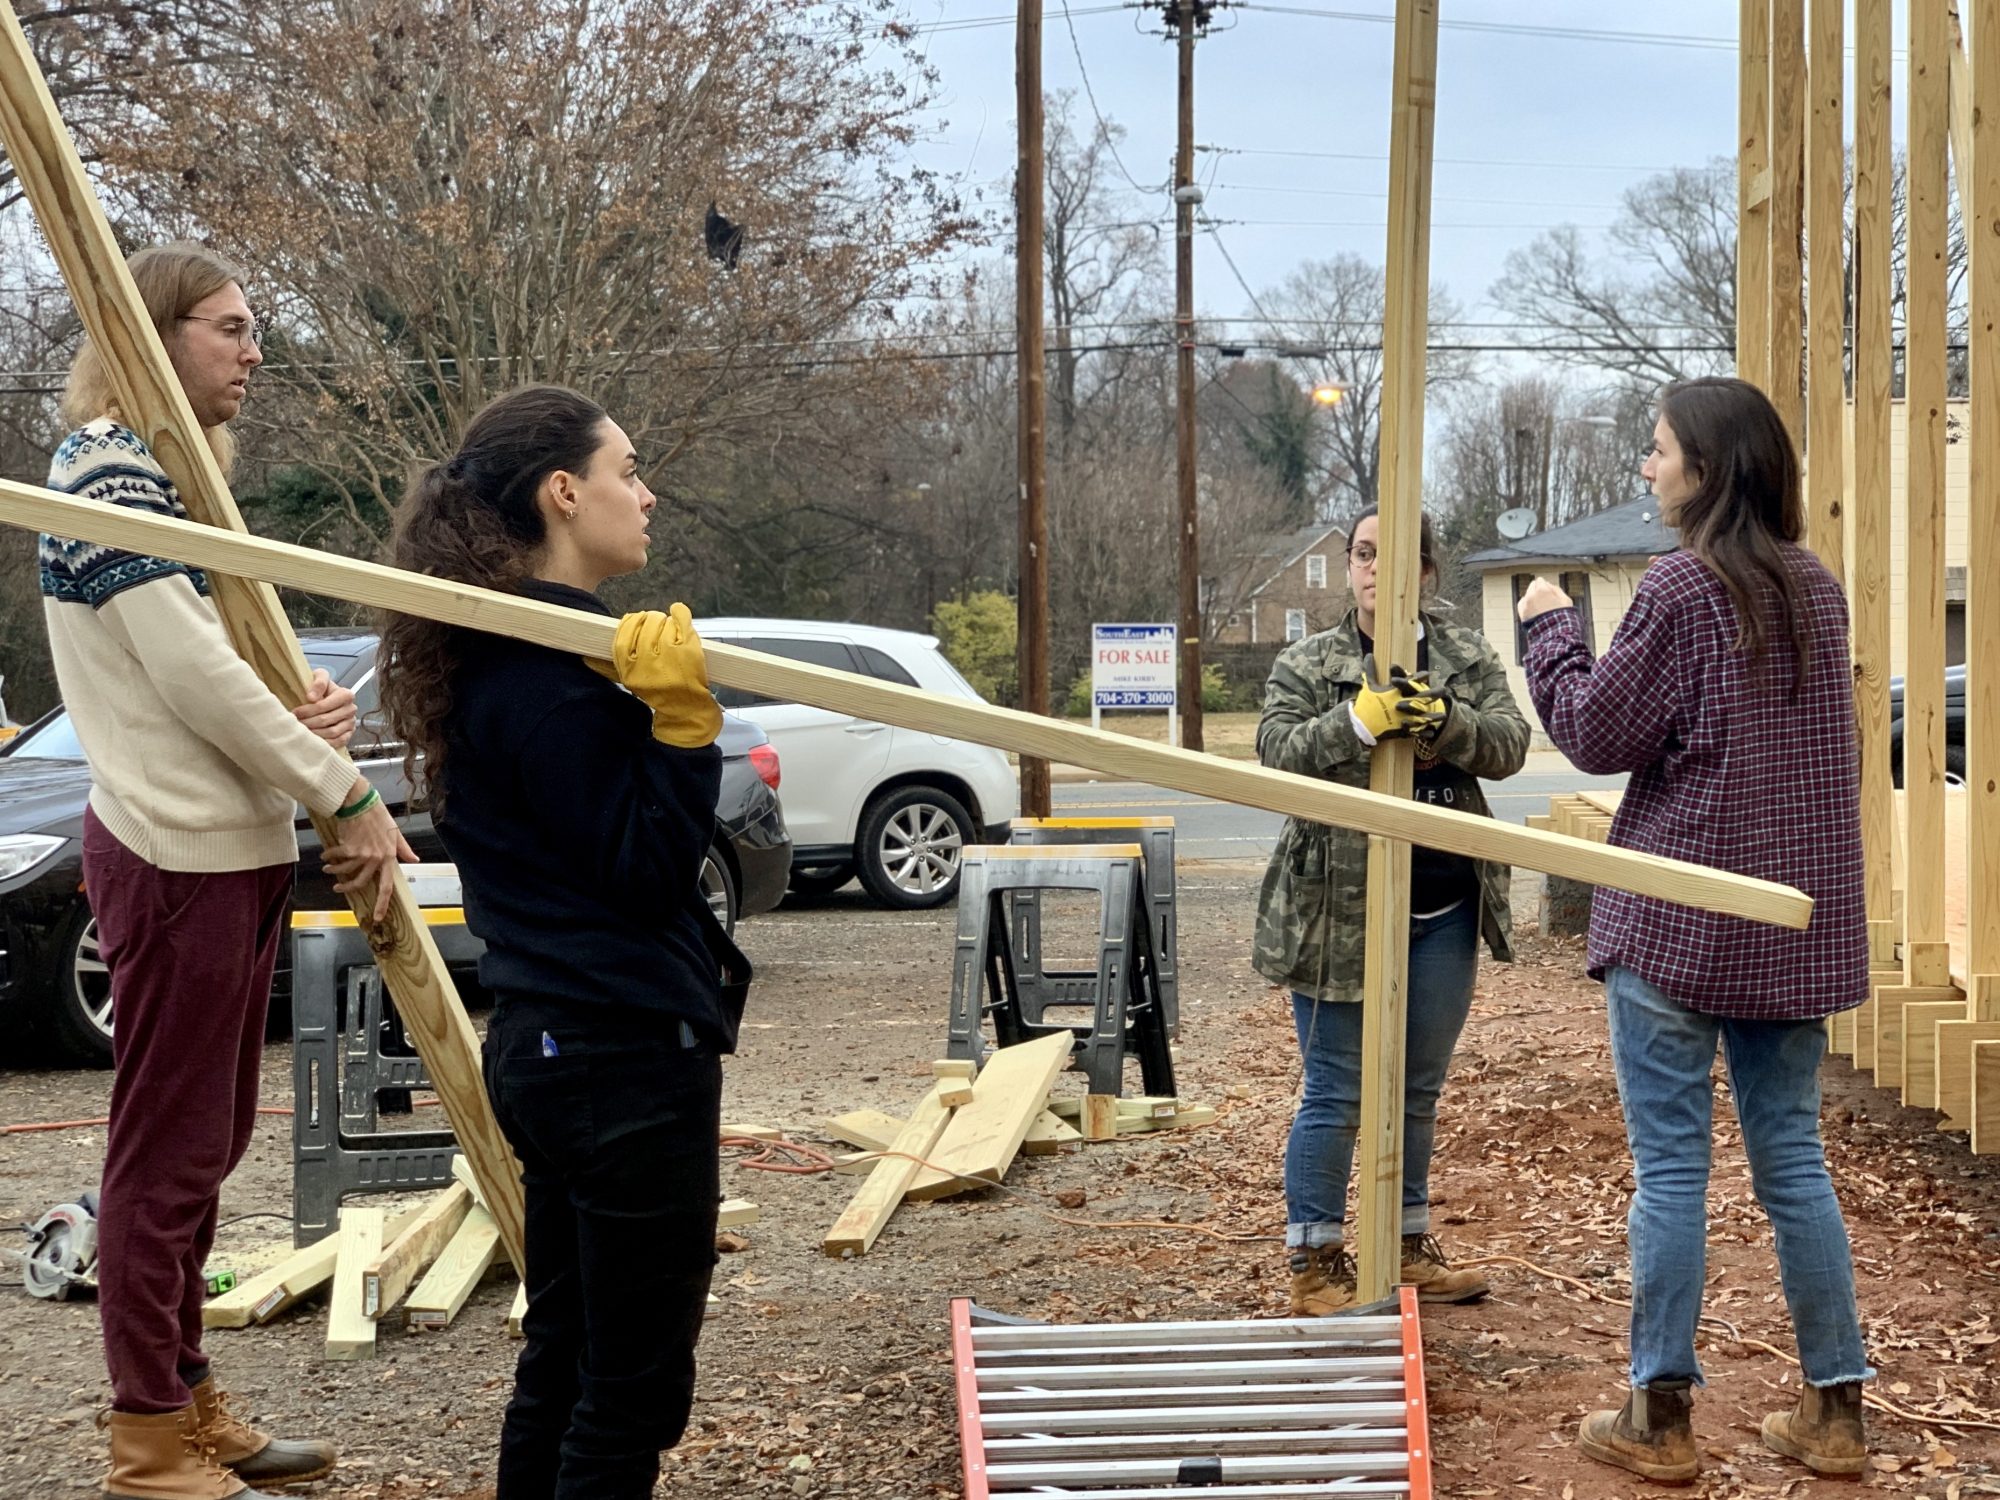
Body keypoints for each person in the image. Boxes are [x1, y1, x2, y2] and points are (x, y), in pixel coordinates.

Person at [39, 243, 410, 1499]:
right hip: (172, 847)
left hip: (229, 842)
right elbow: (187, 679)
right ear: (154, 333)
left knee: (209, 1140)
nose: (254, 353)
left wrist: (300, 709)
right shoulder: (107, 474)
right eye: (231, 328)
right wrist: (342, 793)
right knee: (165, 1153)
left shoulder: (177, 480)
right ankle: (148, 1442)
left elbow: (211, 661)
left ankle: (188, 1399)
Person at [378, 384, 749, 1500]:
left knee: (571, 1354)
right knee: (630, 1388)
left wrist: (643, 707)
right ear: (562, 491)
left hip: (559, 1048)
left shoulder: (518, 660)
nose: (645, 494)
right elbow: (638, 872)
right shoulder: (543, 684)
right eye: (626, 470)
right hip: (617, 1058)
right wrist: (685, 732)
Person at [1520, 376, 1872, 1484]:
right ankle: (1834, 1414)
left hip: (1676, 925)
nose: (1645, 467)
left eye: (1657, 450)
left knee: (1669, 1173)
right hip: (1786, 931)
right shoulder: (1815, 590)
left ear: (1707, 469)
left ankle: (1658, 1421)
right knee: (1794, 1167)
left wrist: (1550, 629)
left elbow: (1588, 730)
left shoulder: (1681, 588)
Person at [1254, 505, 1530, 1314]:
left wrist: (1449, 723)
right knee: (1337, 1089)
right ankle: (1314, 1260)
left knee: (1415, 1086)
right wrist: (1355, 721)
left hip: (1443, 902)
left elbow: (1510, 745)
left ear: (1427, 572)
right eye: (1363, 554)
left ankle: (1405, 1245)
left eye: (1395, 556)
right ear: (1349, 568)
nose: (1376, 569)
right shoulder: (1311, 660)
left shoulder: (1465, 654)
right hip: (1336, 909)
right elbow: (1275, 754)